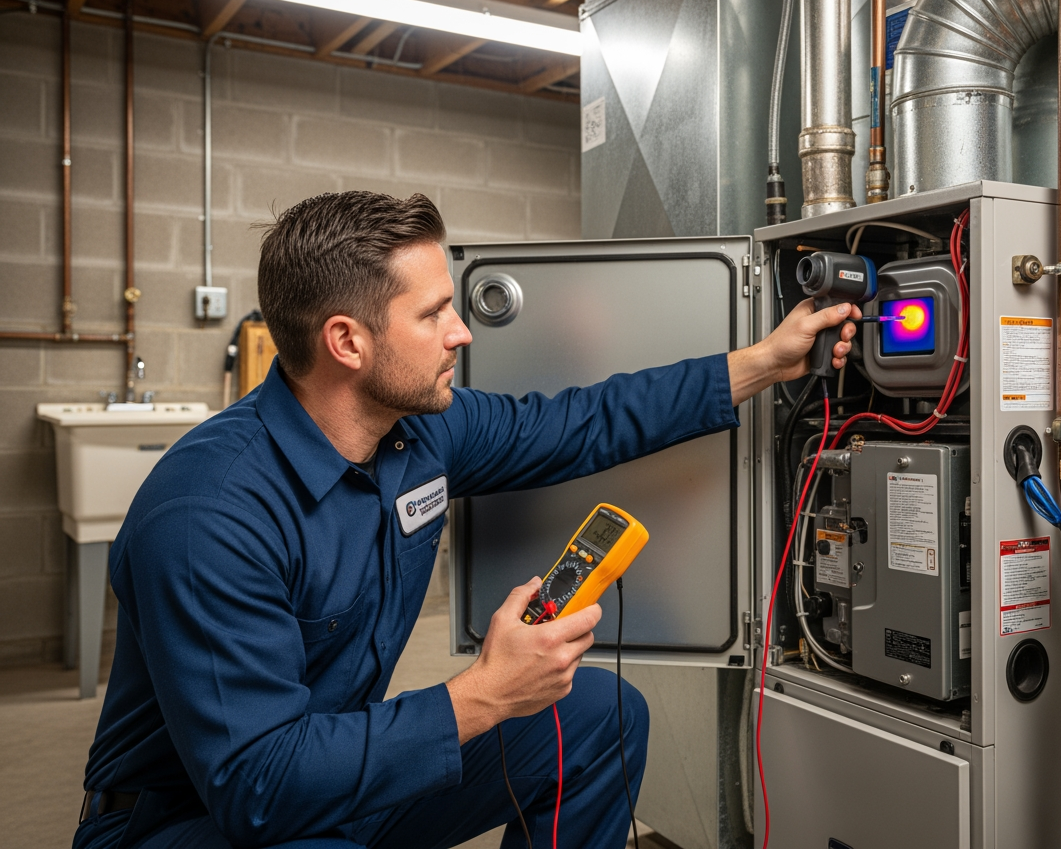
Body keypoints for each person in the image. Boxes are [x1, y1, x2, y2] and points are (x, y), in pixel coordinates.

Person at [72, 192, 859, 849]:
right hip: (197, 821)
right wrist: (483, 694)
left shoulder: (420, 430)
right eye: (434, 313)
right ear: (346, 341)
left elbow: (584, 421)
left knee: (596, 717)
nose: (462, 332)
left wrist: (764, 361)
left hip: (343, 769)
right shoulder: (210, 512)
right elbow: (258, 786)